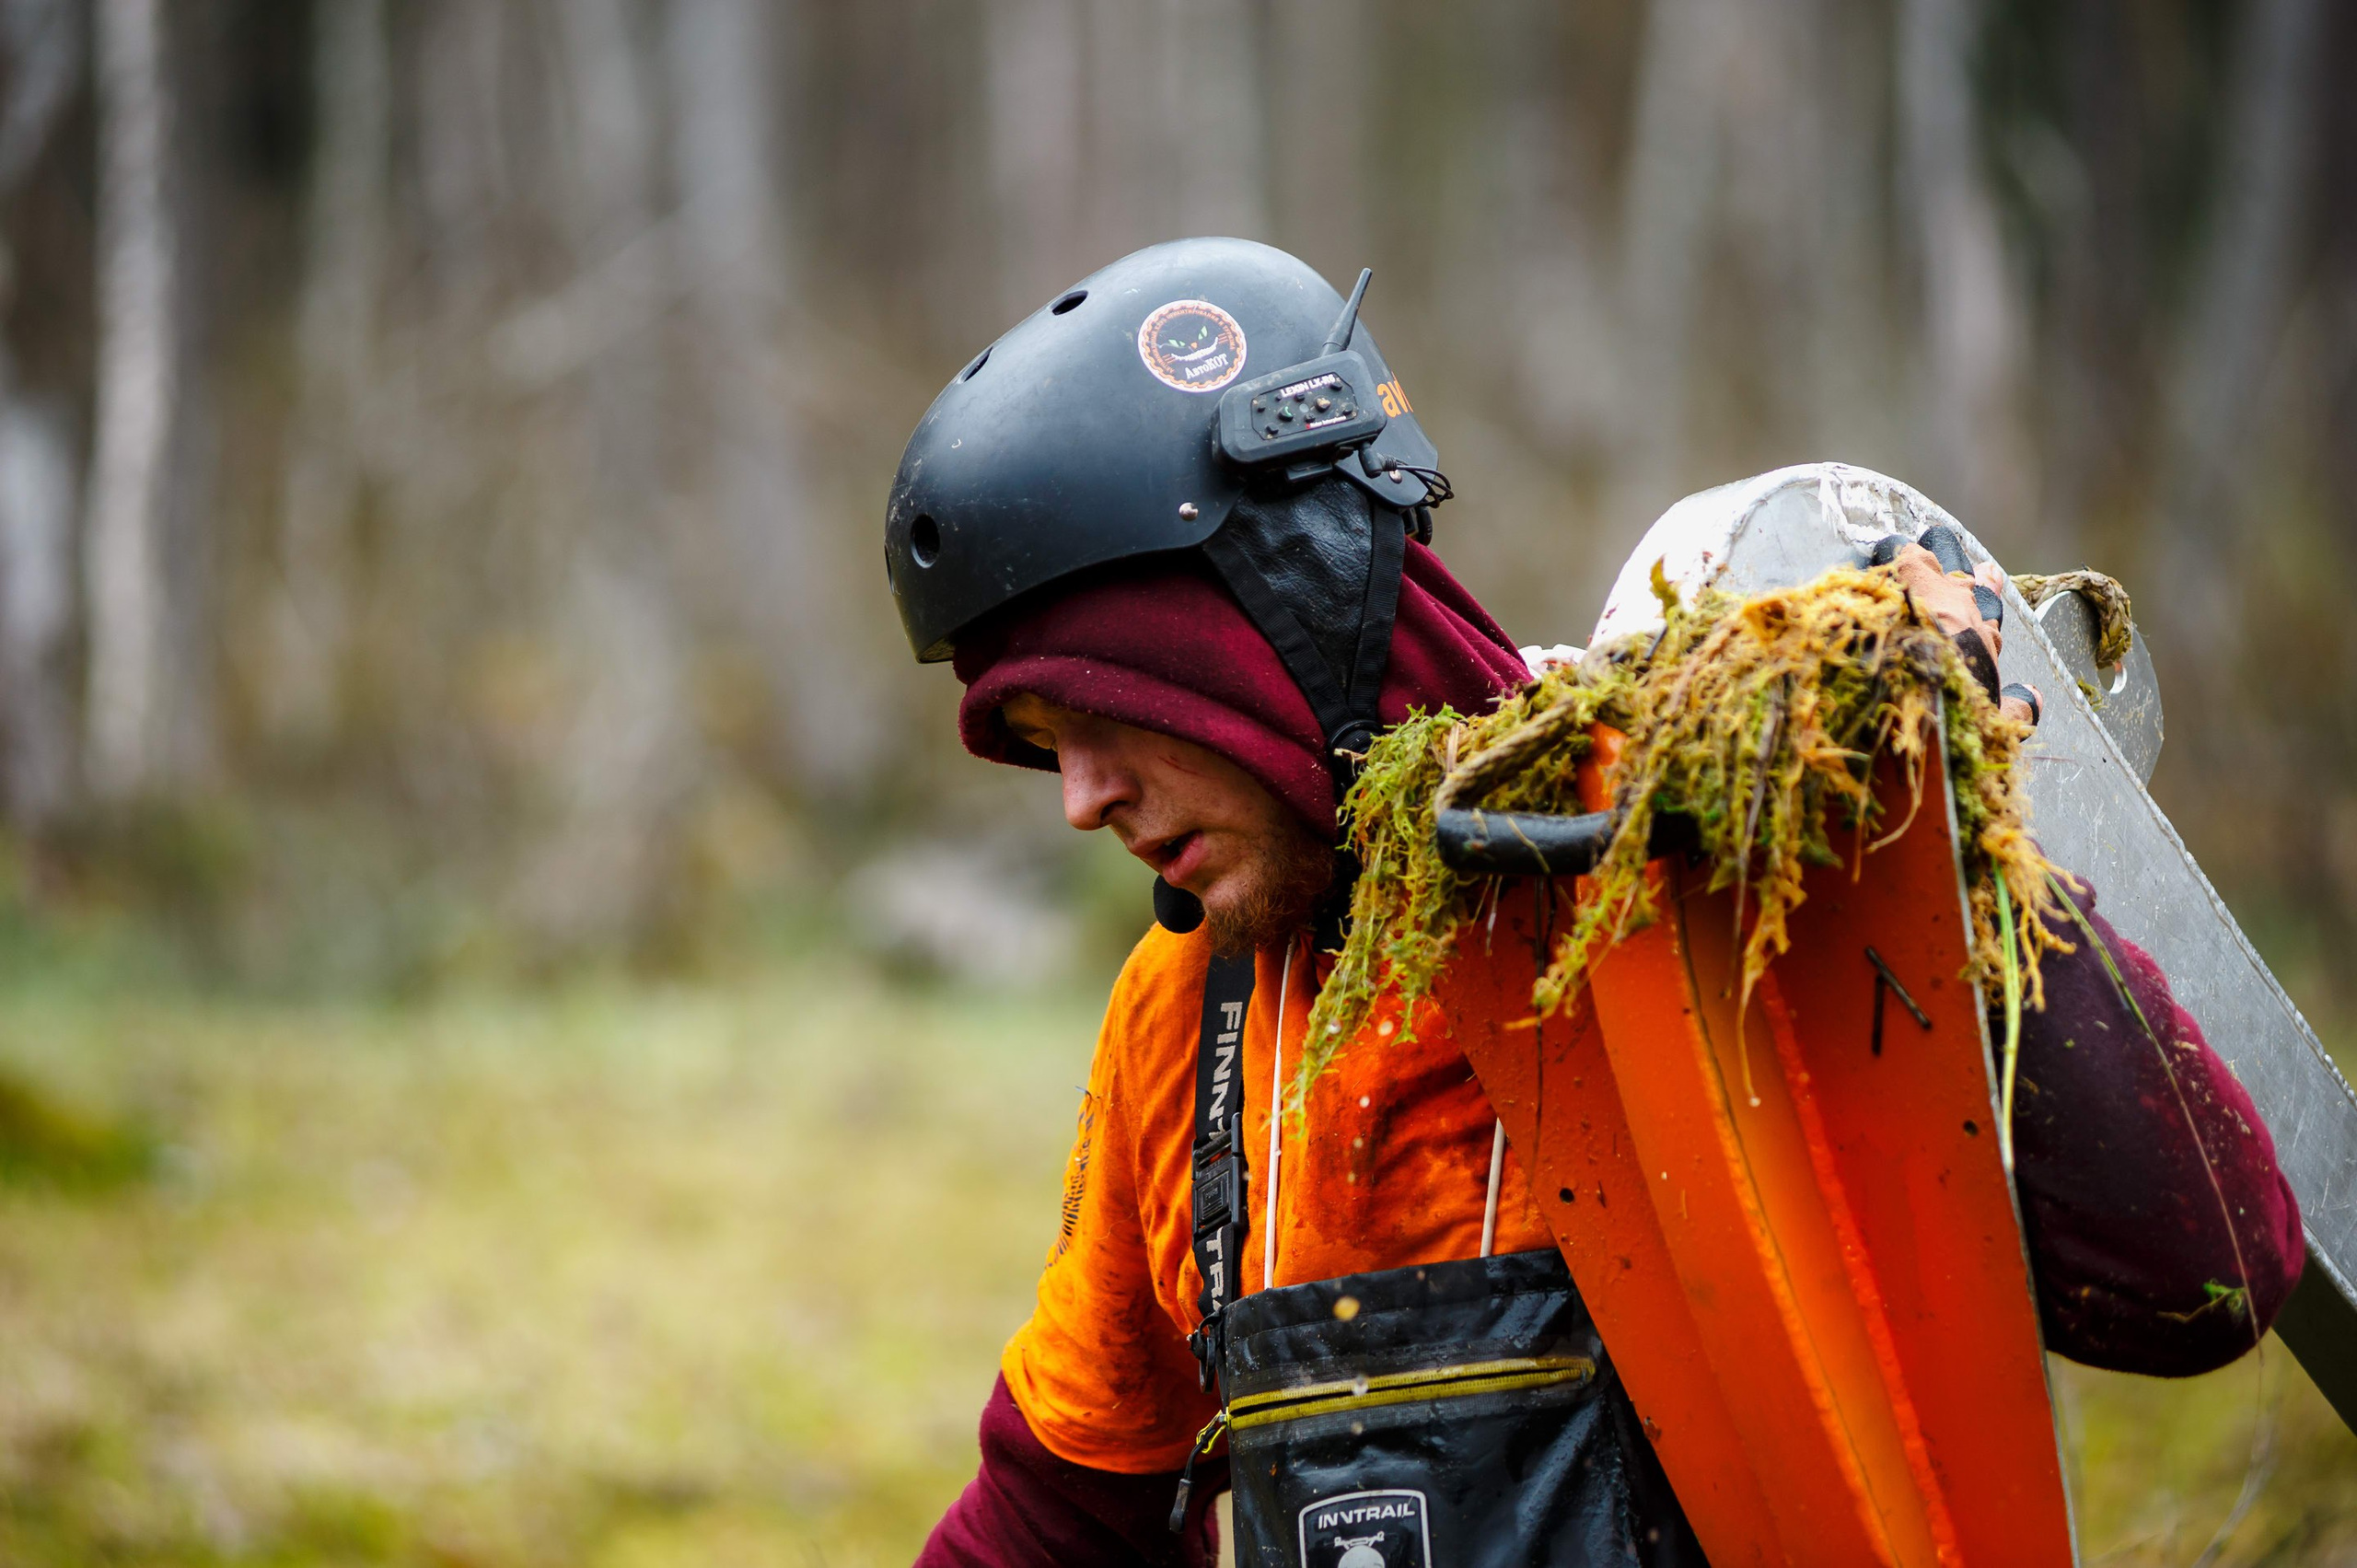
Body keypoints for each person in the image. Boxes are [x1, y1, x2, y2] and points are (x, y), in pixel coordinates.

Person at [885, 238, 2305, 1567]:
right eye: (1037, 745)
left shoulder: (1725, 869)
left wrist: (1939, 834)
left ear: (1271, 620)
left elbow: (2208, 1277)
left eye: (1097, 718)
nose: (1077, 799)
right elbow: (1061, 1502)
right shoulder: (1187, 1015)